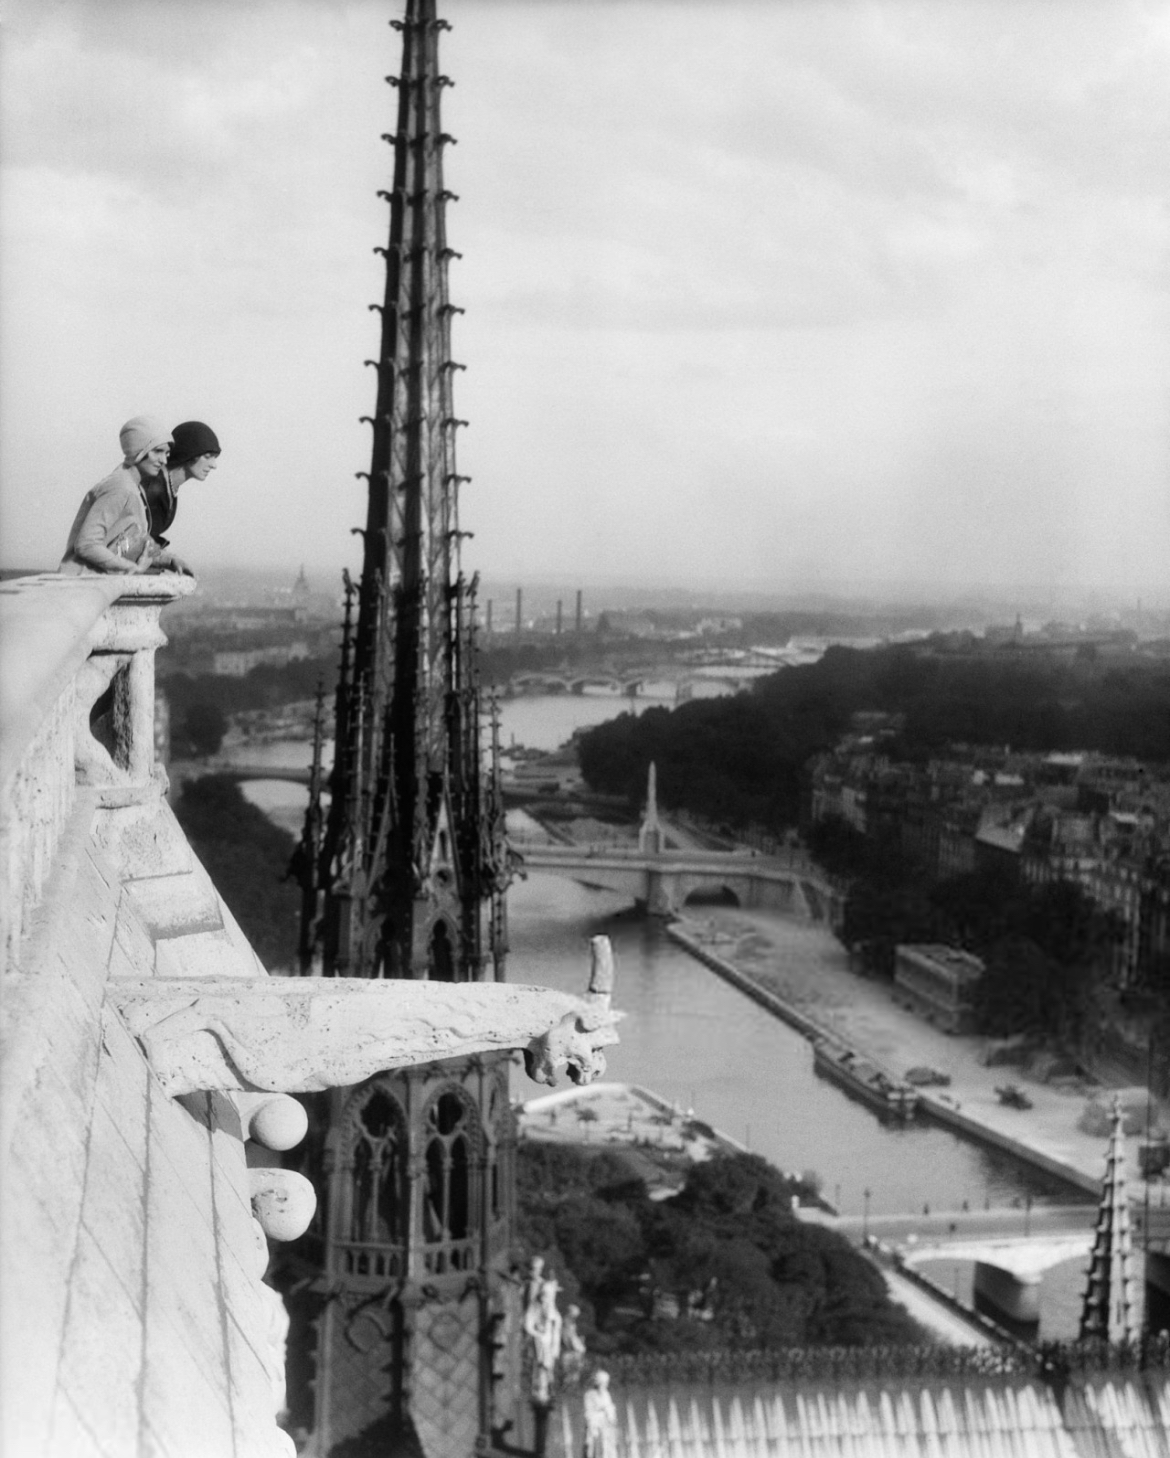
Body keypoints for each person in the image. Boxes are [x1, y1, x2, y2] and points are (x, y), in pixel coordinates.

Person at [60, 417, 190, 575]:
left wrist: (168, 560)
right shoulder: (120, 488)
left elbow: (131, 544)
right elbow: (87, 545)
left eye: (167, 454)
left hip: (97, 581)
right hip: (81, 582)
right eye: (157, 451)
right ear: (138, 450)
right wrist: (130, 568)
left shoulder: (133, 486)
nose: (163, 460)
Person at [144, 419, 221, 550]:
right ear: (189, 453)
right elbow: (135, 537)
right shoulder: (155, 487)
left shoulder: (168, 485)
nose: (214, 465)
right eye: (207, 456)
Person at [582, 1370, 617, 1458]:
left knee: (607, 1449)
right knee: (594, 1449)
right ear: (598, 1383)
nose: (605, 1385)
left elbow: (610, 1409)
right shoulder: (589, 1395)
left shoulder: (606, 1394)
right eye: (603, 1383)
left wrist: (610, 1415)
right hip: (595, 1427)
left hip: (606, 1427)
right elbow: (588, 1412)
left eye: (606, 1383)